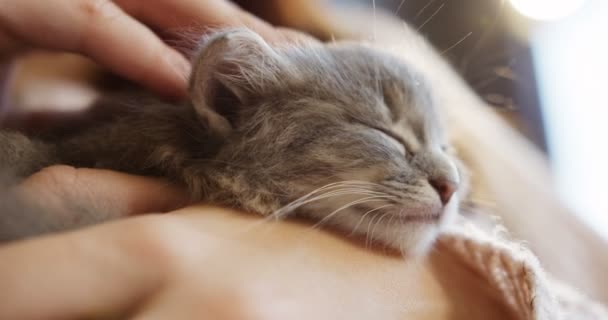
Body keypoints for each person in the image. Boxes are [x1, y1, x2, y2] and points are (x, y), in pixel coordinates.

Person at [0, 1, 546, 319]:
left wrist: (448, 287)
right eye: (387, 134)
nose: (449, 176)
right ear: (226, 99)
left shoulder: (382, 46)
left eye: (445, 147)